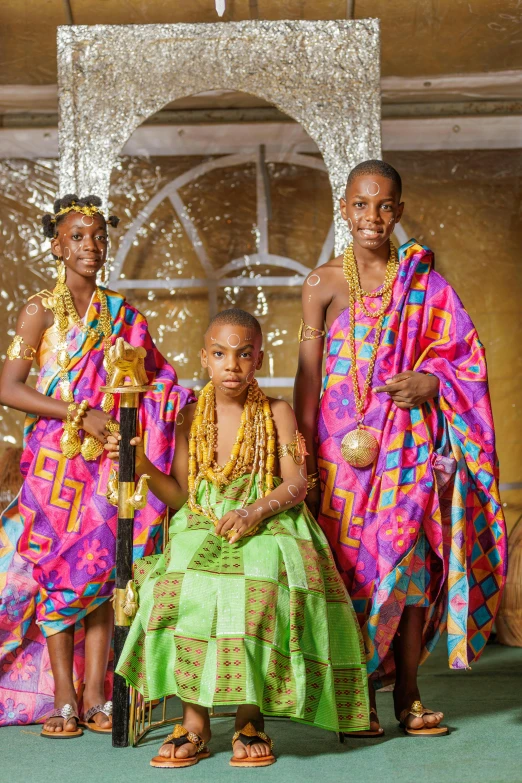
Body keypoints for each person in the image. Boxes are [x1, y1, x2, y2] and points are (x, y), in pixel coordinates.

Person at [294, 160, 507, 737]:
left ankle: (410, 693)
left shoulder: (425, 284)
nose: (372, 217)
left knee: (408, 567)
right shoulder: (322, 284)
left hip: (406, 451)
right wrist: (303, 458)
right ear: (344, 208)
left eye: (385, 205)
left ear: (400, 211)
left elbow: (467, 357)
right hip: (339, 459)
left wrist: (432, 383)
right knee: (349, 574)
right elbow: (307, 379)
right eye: (361, 205)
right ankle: (353, 695)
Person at [106, 308, 369, 768]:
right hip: (202, 519)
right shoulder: (190, 416)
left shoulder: (277, 412)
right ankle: (195, 722)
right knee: (180, 585)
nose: (233, 365)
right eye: (222, 354)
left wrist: (252, 512)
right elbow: (181, 494)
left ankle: (250, 717)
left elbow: (296, 484)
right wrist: (144, 467)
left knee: (260, 583)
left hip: (269, 517)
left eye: (244, 354)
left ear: (260, 360)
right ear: (205, 359)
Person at [0, 195, 192, 736]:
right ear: (57, 246)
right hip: (53, 465)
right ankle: (62, 695)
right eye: (78, 238)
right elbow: (8, 387)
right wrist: (78, 413)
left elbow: (158, 379)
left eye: (99, 237)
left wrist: (177, 401)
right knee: (60, 571)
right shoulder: (39, 310)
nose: (91, 246)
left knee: (104, 571)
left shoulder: (125, 314)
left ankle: (96, 694)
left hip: (110, 461)